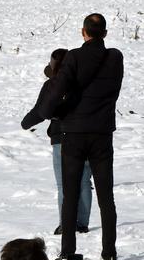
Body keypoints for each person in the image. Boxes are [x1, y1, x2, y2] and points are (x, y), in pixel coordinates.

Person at [31, 13, 124, 260]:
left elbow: (57, 90)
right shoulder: (115, 57)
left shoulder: (73, 56)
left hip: (73, 133)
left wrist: (42, 114)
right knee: (106, 196)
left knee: (70, 194)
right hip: (102, 134)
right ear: (104, 33)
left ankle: (68, 251)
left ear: (83, 32)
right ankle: (109, 252)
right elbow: (112, 92)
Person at [22, 48, 94, 236]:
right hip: (85, 135)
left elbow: (39, 111)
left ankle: (66, 224)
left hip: (61, 138)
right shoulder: (84, 83)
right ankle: (83, 223)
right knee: (84, 181)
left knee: (64, 184)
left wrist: (25, 123)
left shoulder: (52, 86)